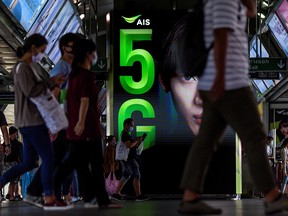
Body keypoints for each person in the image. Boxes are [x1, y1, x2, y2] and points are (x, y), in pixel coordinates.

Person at [178, 0, 288, 215]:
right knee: (255, 136)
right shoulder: (224, 0)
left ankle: (190, 198)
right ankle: (273, 196)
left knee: (206, 141)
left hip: (217, 83)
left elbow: (251, 11)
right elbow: (221, 35)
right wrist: (221, 78)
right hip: (230, 82)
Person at [0, 33, 68, 210]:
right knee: (49, 157)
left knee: (30, 162)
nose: (42, 55)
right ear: (32, 48)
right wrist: (50, 81)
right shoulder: (22, 68)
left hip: (27, 121)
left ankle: (6, 183)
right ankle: (49, 197)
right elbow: (31, 91)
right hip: (32, 121)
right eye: (42, 51)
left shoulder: (27, 67)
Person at [53, 38, 122, 209]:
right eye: (93, 52)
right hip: (88, 129)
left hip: (78, 128)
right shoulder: (84, 75)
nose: (95, 55)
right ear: (88, 54)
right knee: (89, 164)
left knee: (81, 164)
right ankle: (47, 188)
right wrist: (82, 122)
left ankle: (93, 198)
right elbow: (84, 100)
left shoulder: (73, 75)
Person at [26, 32, 80, 205]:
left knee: (58, 157)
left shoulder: (71, 67)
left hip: (67, 120)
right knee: (57, 157)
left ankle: (41, 193)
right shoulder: (62, 67)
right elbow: (54, 93)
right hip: (62, 121)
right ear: (65, 48)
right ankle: (38, 192)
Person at [111, 118, 149, 202]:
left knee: (125, 176)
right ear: (126, 125)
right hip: (129, 159)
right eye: (131, 125)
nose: (132, 127)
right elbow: (129, 145)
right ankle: (138, 195)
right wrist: (137, 141)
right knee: (136, 175)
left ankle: (116, 193)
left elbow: (131, 145)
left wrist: (137, 141)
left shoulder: (125, 134)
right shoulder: (125, 134)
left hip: (126, 159)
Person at [3, 126, 23, 201]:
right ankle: (11, 195)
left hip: (6, 164)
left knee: (11, 180)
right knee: (14, 181)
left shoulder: (5, 143)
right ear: (15, 133)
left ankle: (10, 194)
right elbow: (21, 156)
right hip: (14, 163)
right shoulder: (19, 144)